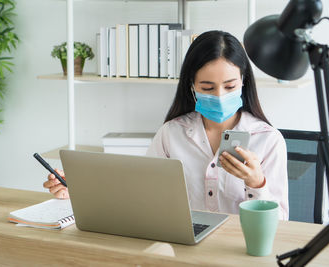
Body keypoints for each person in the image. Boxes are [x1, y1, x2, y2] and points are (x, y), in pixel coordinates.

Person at [44, 30, 289, 220]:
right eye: (207, 87)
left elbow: (281, 224)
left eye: (230, 86)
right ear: (191, 85)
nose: (219, 95)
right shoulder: (172, 134)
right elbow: (140, 198)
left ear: (243, 82)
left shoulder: (268, 140)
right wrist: (76, 192)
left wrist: (257, 184)